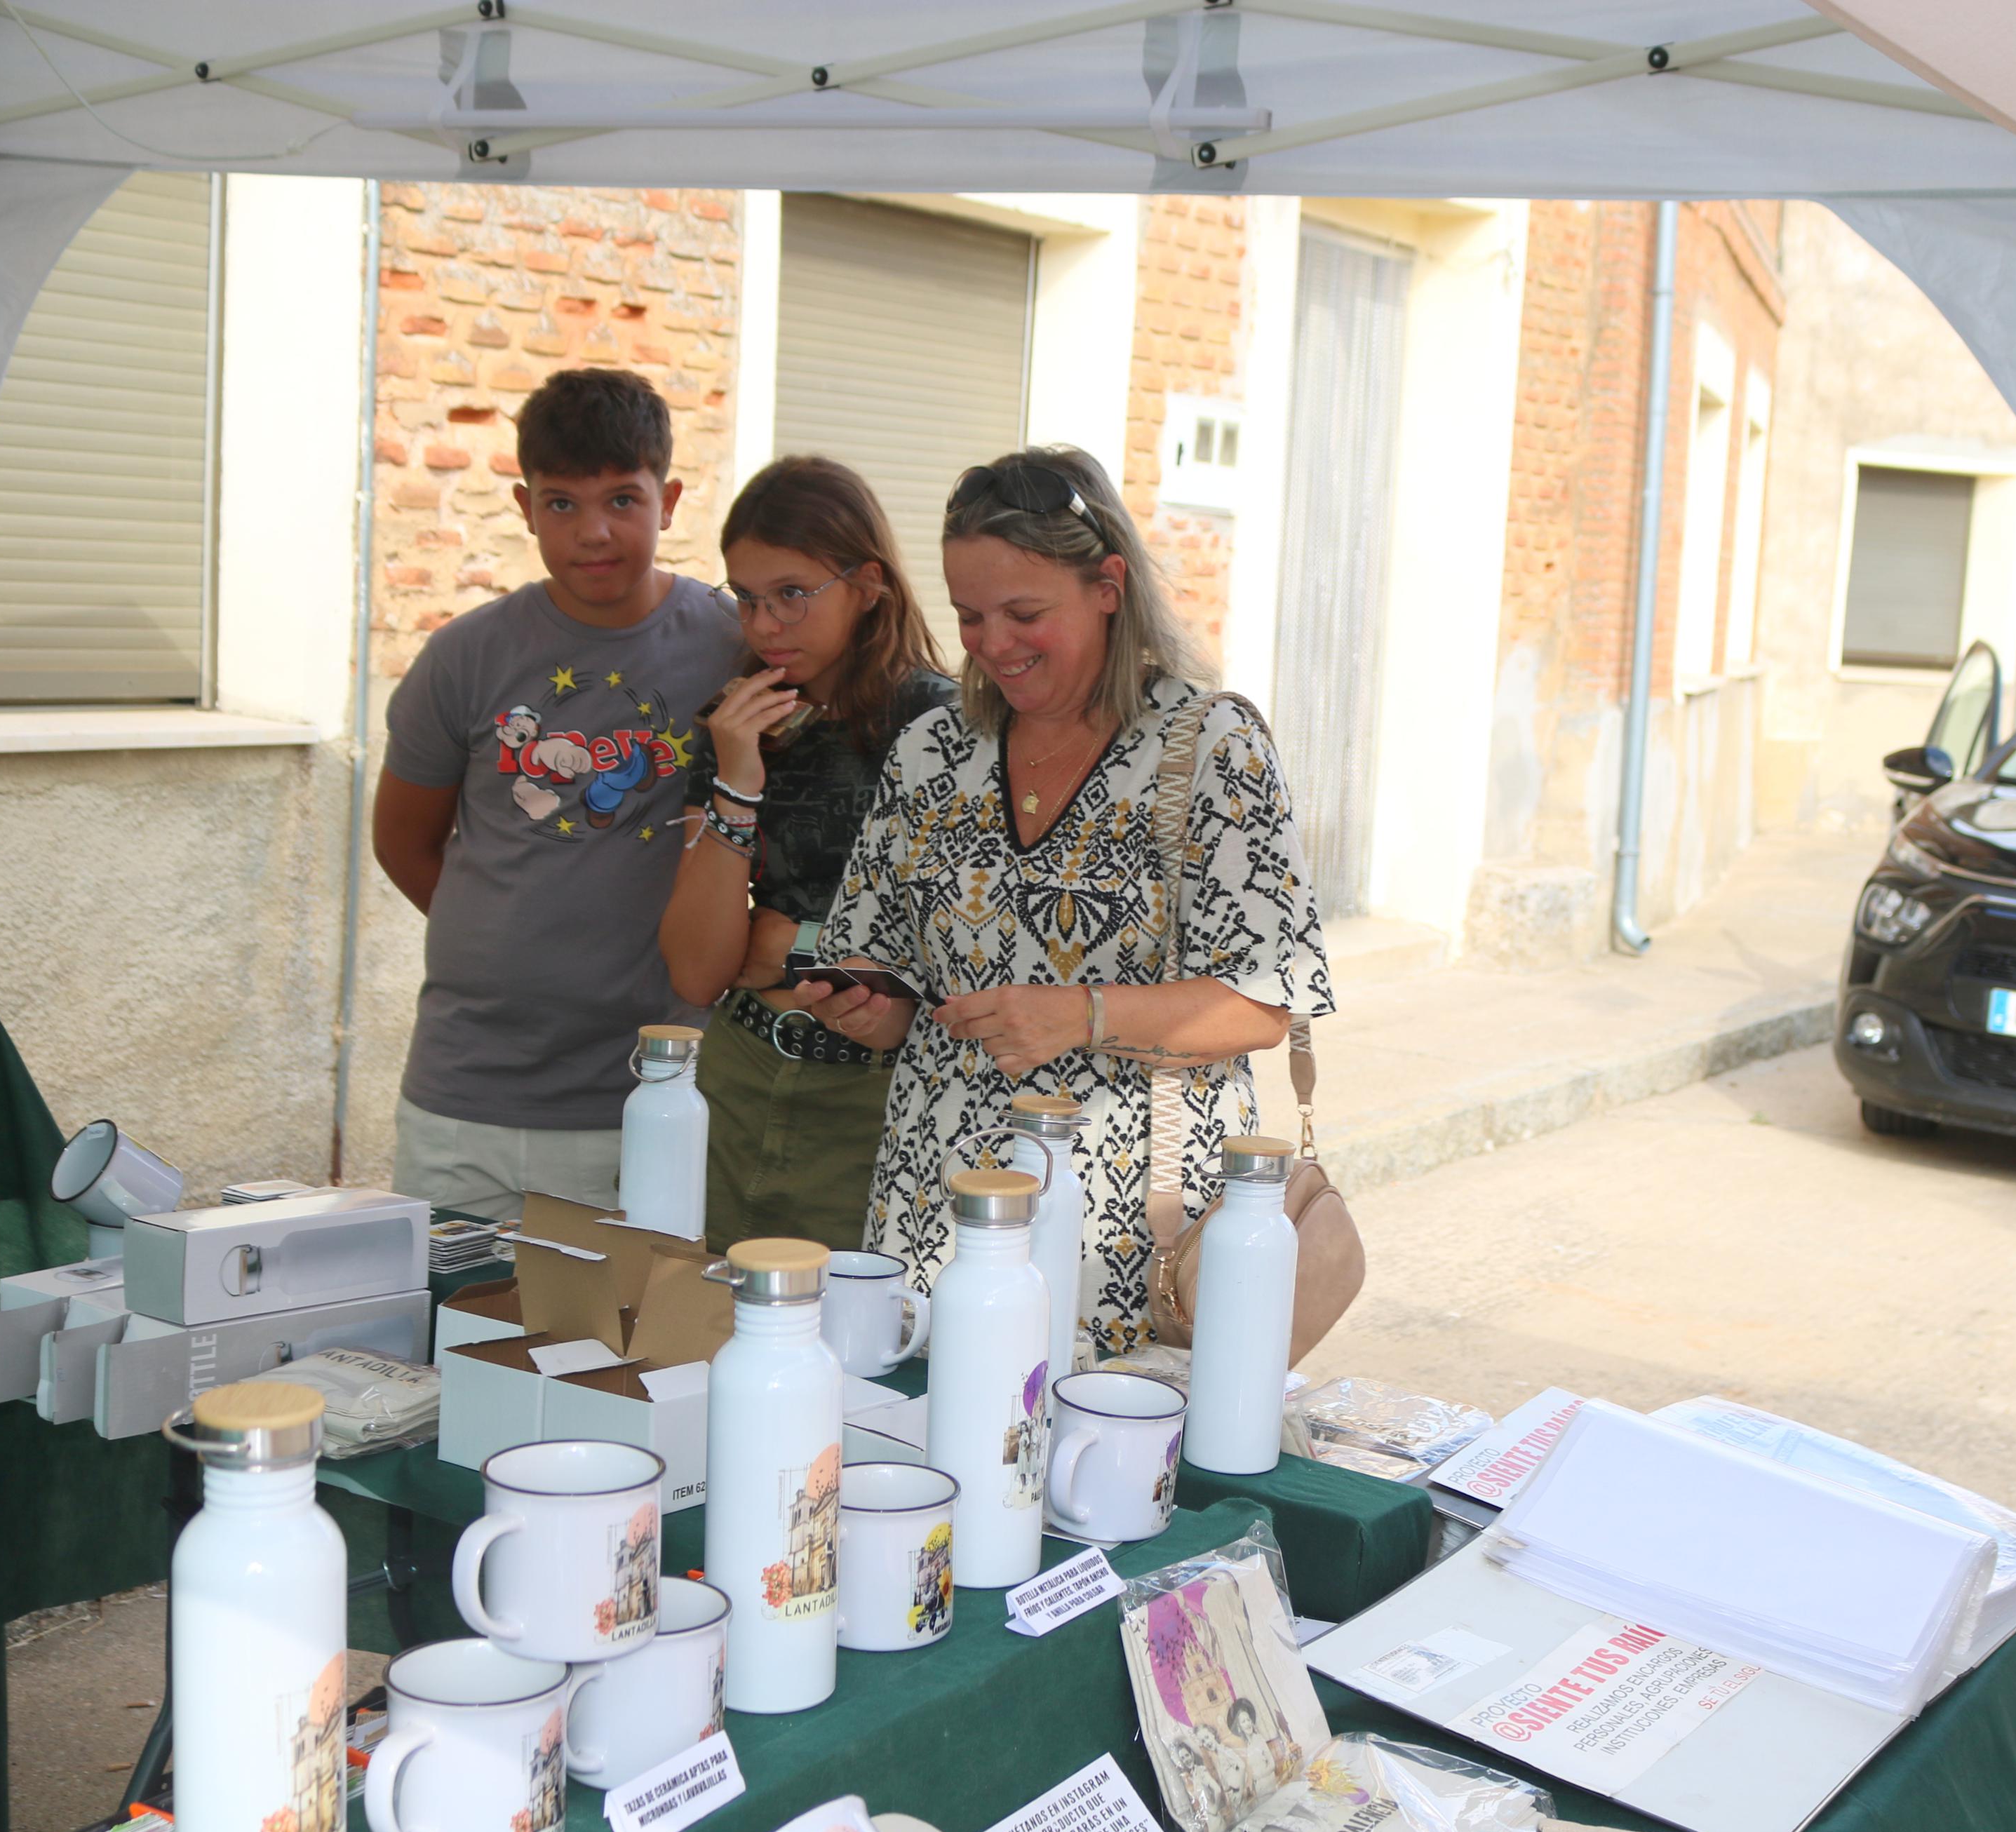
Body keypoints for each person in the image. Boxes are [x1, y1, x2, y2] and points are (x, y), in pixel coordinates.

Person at [793, 446, 1333, 1352]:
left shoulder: (1206, 746)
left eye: (1023, 612)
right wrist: (863, 1000)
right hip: (939, 1220)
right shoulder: (933, 749)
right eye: (968, 616)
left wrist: (1075, 1015)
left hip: (1128, 1238)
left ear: (1108, 586)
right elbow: (894, 996)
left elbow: (1263, 1001)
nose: (991, 642)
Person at [375, 368, 740, 1217]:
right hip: (465, 1100)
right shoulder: (465, 656)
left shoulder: (729, 644)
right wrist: (512, 939)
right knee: (449, 1337)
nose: (595, 533)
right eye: (562, 504)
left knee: (629, 1344)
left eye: (622, 499)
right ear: (523, 506)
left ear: (671, 498)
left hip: (653, 1093)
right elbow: (403, 842)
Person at [658, 457, 958, 1251]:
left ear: (866, 583)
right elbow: (695, 970)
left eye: (792, 593)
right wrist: (737, 779)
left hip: (873, 1099)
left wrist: (791, 945)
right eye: (746, 597)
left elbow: (957, 949)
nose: (763, 625)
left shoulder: (940, 725)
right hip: (737, 1077)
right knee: (696, 1330)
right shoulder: (738, 722)